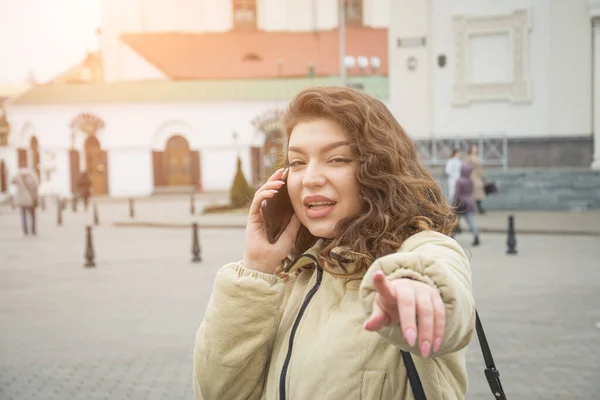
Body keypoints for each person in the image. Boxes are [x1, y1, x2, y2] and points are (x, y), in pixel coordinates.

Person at [193, 87, 475, 399]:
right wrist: (257, 267)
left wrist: (417, 290)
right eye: (297, 162)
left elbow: (444, 283)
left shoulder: (420, 249)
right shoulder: (295, 276)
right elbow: (218, 393)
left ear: (377, 169)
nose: (310, 178)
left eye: (337, 159)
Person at [452, 164, 480, 246]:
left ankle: (452, 237)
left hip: (461, 204)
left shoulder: (459, 181)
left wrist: (453, 204)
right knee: (471, 221)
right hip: (470, 203)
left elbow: (456, 194)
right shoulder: (470, 181)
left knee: (455, 221)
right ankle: (476, 236)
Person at [11, 167, 39, 236]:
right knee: (32, 215)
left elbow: (12, 182)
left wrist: (17, 175)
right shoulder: (32, 178)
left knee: (23, 215)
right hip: (30, 199)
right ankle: (33, 230)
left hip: (22, 200)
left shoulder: (19, 178)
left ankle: (25, 230)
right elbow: (35, 188)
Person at [464, 144, 486, 214]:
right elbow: (465, 166)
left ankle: (478, 208)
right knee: (474, 193)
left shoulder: (476, 157)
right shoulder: (469, 157)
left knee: (478, 193)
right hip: (473, 177)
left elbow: (480, 168)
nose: (475, 150)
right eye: (474, 148)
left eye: (476, 148)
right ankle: (477, 208)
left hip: (478, 177)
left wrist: (483, 176)